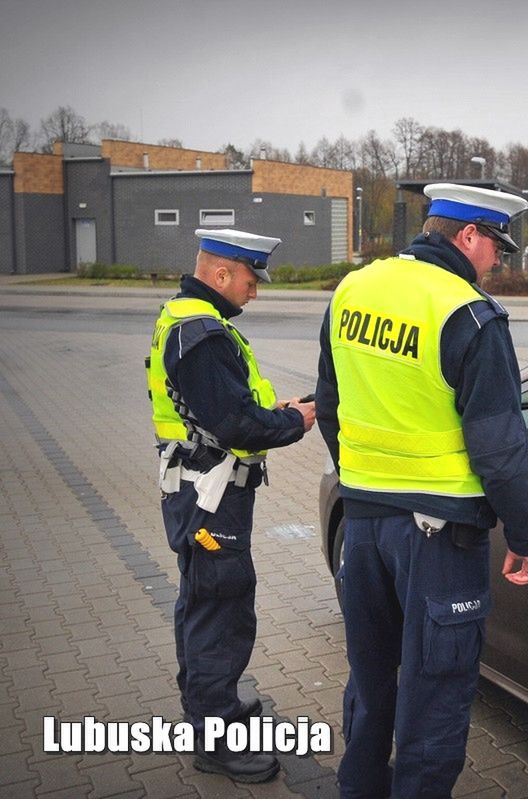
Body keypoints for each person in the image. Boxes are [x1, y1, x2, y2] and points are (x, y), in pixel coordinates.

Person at [315, 183, 528, 798]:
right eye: (497, 245)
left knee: (371, 683)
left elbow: (330, 407)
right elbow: (500, 448)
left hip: (361, 530)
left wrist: (365, 481)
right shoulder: (469, 313)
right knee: (435, 698)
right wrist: (525, 535)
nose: (499, 261)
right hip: (439, 542)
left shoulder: (353, 290)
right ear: (469, 235)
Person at [147, 228, 316, 783]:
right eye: (249, 279)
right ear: (220, 274)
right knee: (221, 608)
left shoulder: (188, 318)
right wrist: (295, 420)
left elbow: (228, 404)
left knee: (204, 600)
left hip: (200, 490)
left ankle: (210, 707)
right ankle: (214, 740)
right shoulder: (202, 333)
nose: (254, 290)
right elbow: (236, 424)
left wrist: (278, 406)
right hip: (210, 495)